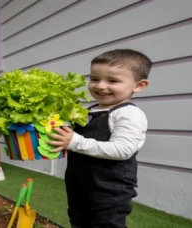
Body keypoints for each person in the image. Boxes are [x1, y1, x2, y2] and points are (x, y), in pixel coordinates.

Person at [47, 49, 151, 228]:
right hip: (79, 182)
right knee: (78, 221)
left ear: (139, 85)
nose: (101, 86)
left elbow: (122, 150)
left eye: (112, 80)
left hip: (109, 189)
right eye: (95, 79)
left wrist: (74, 142)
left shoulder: (129, 114)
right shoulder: (89, 111)